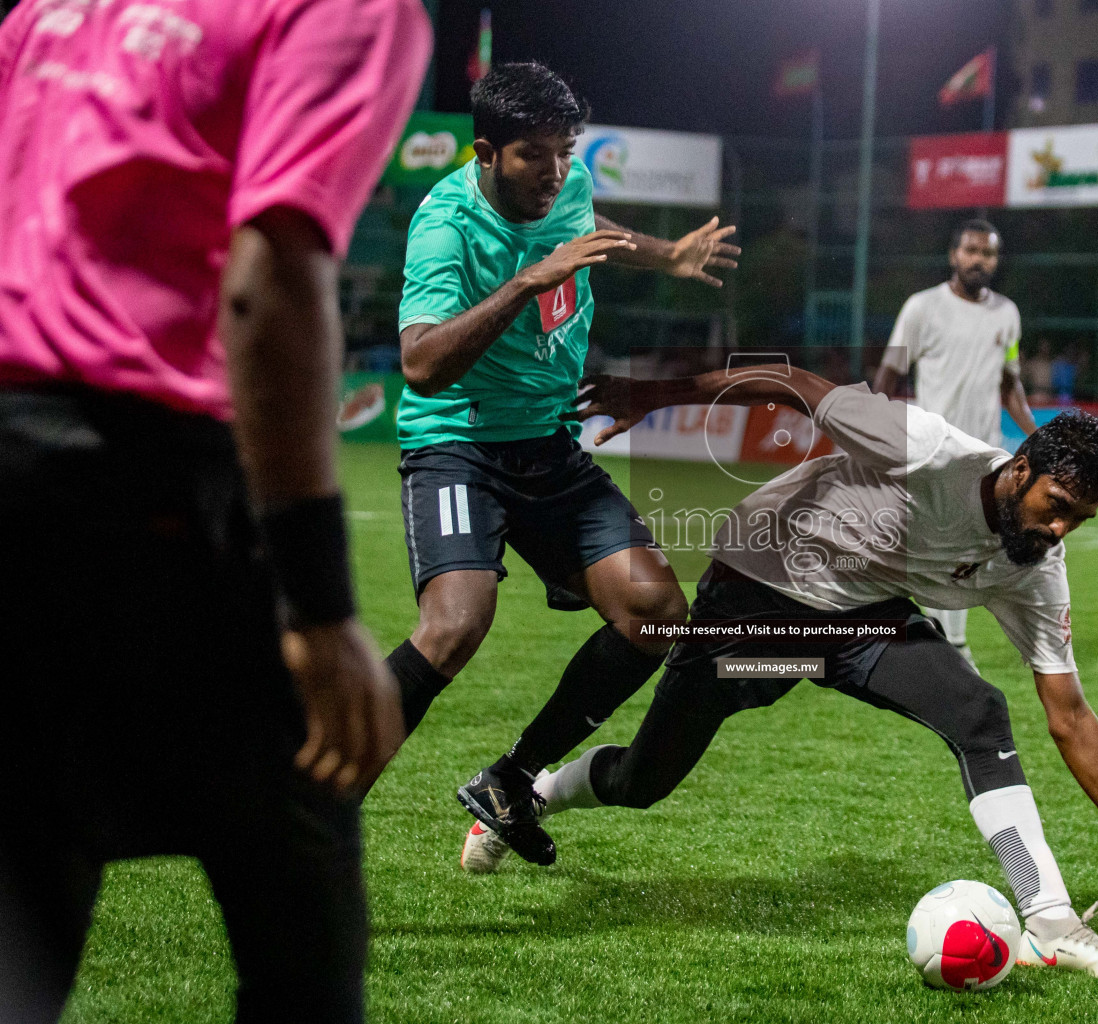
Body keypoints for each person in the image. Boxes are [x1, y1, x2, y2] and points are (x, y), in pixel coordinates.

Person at [0, 1, 430, 1020]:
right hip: (154, 496)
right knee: (303, 930)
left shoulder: (48, 11)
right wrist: (320, 608)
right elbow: (269, 278)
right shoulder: (349, 11)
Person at [548, 366, 1098, 981]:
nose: (1062, 529)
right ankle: (541, 792)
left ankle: (1049, 923)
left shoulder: (1035, 567)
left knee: (980, 714)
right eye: (1059, 504)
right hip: (757, 594)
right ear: (1020, 470)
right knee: (644, 780)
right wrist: (657, 393)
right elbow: (792, 384)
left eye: (1081, 518)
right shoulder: (928, 447)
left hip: (859, 620)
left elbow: (1069, 715)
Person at [381, 62, 740, 873]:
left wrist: (669, 255)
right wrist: (524, 282)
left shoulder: (566, 184)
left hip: (548, 447)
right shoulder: (447, 227)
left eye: (562, 150)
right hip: (457, 445)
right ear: (485, 153)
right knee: (454, 626)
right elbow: (422, 365)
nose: (553, 171)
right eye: (531, 155)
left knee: (654, 611)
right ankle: (318, 812)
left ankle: (510, 780)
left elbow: (594, 232)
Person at [874, 219, 1035, 666]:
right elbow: (889, 376)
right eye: (971, 250)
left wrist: (1037, 437)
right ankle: (904, 636)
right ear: (953, 255)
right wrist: (873, 432)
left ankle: (950, 646)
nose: (979, 259)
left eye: (988, 253)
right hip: (931, 451)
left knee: (966, 545)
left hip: (984, 456)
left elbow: (1011, 384)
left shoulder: (1007, 314)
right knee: (922, 546)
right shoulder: (922, 308)